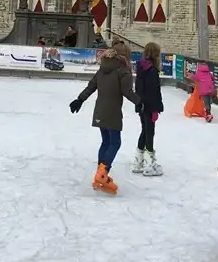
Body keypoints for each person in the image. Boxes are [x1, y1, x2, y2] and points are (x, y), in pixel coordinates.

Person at [69, 39, 140, 194]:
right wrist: (139, 102)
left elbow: (91, 86)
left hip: (100, 111)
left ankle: (99, 174)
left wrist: (79, 99)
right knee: (115, 143)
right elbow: (127, 91)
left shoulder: (103, 69)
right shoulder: (123, 70)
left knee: (106, 142)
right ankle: (102, 173)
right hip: (112, 111)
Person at [132, 42, 164, 176]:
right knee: (150, 132)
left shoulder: (142, 68)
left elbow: (139, 88)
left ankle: (139, 161)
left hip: (142, 105)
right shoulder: (151, 71)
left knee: (145, 131)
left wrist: (139, 104)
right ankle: (151, 163)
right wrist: (156, 108)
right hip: (149, 106)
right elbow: (153, 92)